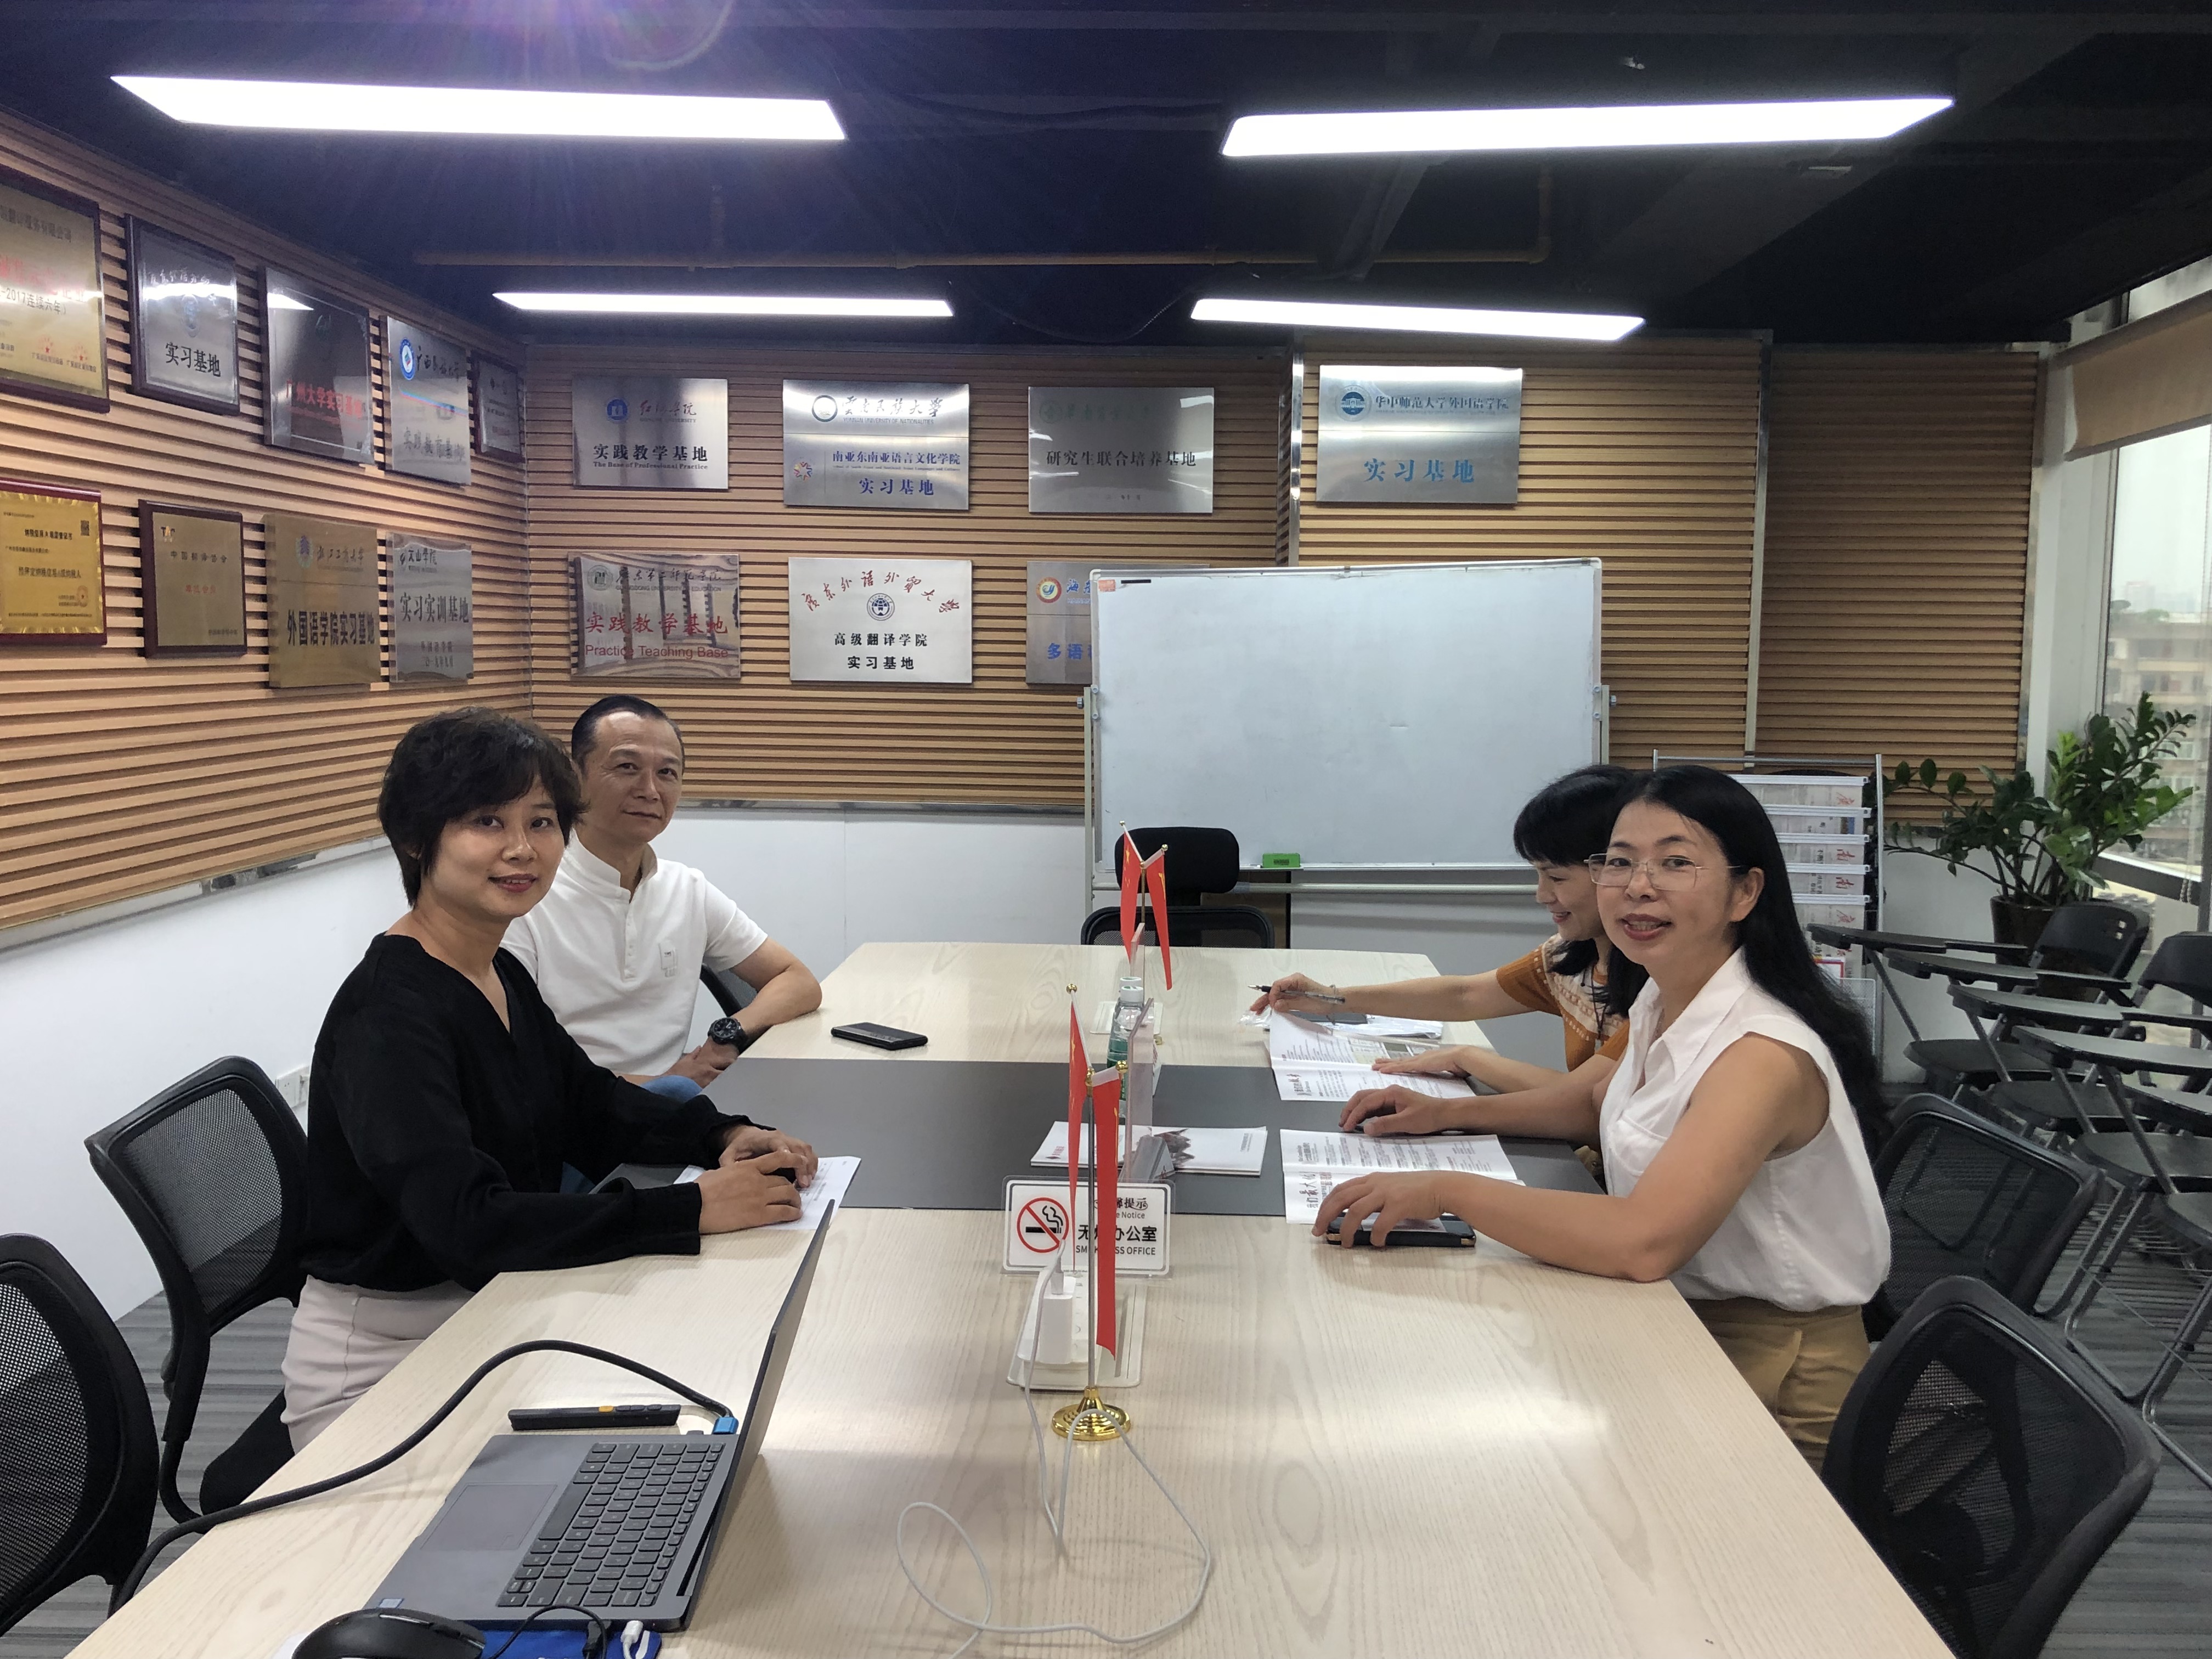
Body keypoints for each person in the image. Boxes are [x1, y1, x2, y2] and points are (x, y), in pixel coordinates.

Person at [1313, 766, 1890, 1470]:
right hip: (1677, 1319)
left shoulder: (1760, 1053)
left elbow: (1643, 1242)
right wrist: (1444, 1115)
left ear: (1745, 892)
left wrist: (1445, 1190)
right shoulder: (1666, 997)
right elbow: (1592, 1102)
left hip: (1774, 1375)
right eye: (1619, 862)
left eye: (1675, 863)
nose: (1638, 886)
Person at [283, 708, 819, 1447]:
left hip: (500, 1311)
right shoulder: (388, 1015)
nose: (522, 849)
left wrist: (723, 1134)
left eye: (541, 823)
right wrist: (690, 1206)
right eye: (486, 822)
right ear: (414, 837)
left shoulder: (493, 970)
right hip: (386, 1362)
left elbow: (588, 1104)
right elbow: (469, 1227)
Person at [1250, 765, 1643, 1096]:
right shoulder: (1568, 958)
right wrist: (1331, 999)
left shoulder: (1660, 987)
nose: (1542, 895)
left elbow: (1588, 1102)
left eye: (1556, 877)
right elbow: (1465, 996)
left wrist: (1469, 1059)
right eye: (1538, 875)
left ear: (1615, 869)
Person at [504, 695, 822, 1099]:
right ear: (574, 776)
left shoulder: (687, 889)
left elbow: (798, 981)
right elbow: (515, 1067)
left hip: (674, 1107)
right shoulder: (526, 894)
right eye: (627, 767)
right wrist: (663, 1083)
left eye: (667, 773)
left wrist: (727, 1034)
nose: (650, 790)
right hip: (573, 1118)